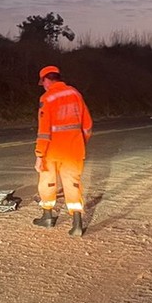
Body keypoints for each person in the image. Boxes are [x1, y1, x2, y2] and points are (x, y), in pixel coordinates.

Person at [33, 65, 93, 236]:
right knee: (73, 184)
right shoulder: (75, 94)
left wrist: (39, 155)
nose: (43, 85)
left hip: (52, 151)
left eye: (43, 82)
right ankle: (77, 224)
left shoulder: (47, 98)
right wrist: (80, 143)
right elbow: (87, 125)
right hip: (74, 149)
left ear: (46, 80)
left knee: (47, 182)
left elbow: (44, 131)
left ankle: (48, 217)